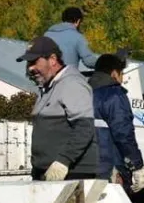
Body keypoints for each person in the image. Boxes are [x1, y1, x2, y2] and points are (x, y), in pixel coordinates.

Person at [17, 36, 99, 181]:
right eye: (28, 63)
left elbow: (84, 127)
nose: (30, 68)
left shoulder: (72, 84)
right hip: (49, 173)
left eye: (34, 62)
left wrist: (63, 161)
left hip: (72, 173)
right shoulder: (48, 88)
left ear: (53, 59)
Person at [89, 54, 144, 194]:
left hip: (83, 168)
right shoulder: (114, 95)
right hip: (109, 169)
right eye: (122, 75)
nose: (122, 80)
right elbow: (123, 134)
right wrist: (136, 165)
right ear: (114, 73)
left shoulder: (82, 93)